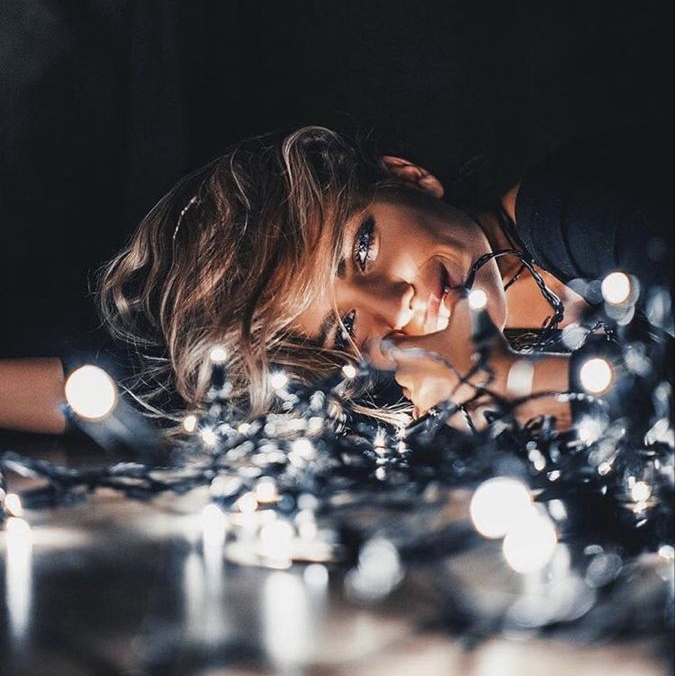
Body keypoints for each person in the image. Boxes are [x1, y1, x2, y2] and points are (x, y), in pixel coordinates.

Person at [0, 124, 671, 434]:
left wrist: (482, 383)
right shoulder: (411, 385)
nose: (392, 303)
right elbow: (129, 395)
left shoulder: (579, 207)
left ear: (409, 178)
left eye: (362, 248)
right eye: (346, 325)